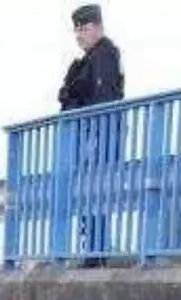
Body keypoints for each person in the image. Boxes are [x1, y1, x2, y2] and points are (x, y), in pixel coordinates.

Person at [60, 5, 125, 264]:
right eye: (76, 30)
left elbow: (100, 98)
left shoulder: (105, 54)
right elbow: (67, 94)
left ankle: (96, 254)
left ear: (97, 27)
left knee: (95, 193)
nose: (79, 35)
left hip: (99, 137)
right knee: (88, 195)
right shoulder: (84, 62)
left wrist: (72, 95)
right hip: (89, 136)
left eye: (84, 29)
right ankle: (93, 252)